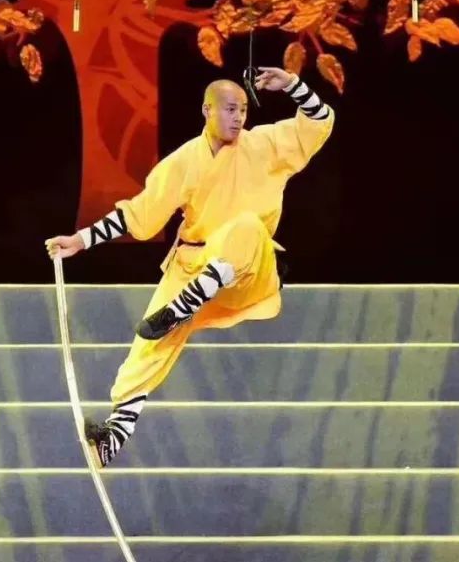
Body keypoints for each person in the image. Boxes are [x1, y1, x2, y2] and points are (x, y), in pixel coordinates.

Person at [45, 65, 335, 467]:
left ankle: (188, 301)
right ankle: (114, 437)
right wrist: (80, 240)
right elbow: (139, 214)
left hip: (247, 268)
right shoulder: (184, 161)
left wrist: (293, 85)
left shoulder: (264, 146)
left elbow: (319, 123)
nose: (238, 118)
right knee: (148, 344)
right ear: (207, 110)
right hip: (193, 263)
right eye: (230, 109)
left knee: (247, 228)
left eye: (243, 110)